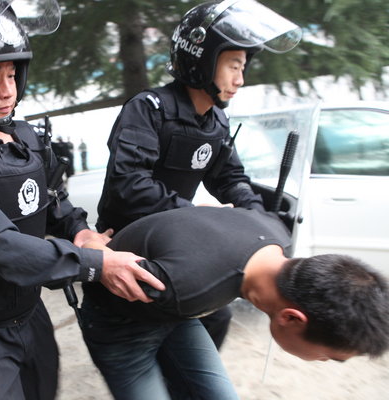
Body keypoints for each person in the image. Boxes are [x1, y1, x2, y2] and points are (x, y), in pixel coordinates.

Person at [0, 1, 163, 399]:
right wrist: (95, 264)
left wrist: (81, 232)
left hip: (29, 314)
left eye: (12, 73)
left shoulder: (25, 137)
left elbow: (54, 200)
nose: (8, 90)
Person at [91, 0, 303, 397]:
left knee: (217, 315)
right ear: (201, 60)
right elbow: (129, 184)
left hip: (176, 240)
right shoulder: (149, 109)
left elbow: (231, 178)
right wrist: (192, 213)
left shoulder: (216, 122)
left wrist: (260, 223)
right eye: (233, 65)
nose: (240, 78)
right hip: (129, 244)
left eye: (243, 67)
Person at [81, 206, 389, 400]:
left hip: (174, 313)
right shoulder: (184, 285)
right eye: (328, 356)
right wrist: (95, 246)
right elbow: (97, 261)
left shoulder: (275, 233)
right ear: (292, 318)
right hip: (119, 328)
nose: (323, 360)